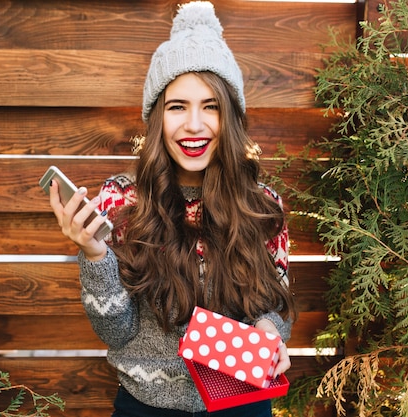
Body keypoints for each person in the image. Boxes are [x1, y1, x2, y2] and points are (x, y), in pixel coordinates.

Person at [49, 2, 296, 416]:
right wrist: (94, 255)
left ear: (230, 116)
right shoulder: (119, 202)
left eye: (211, 106)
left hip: (241, 402)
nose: (194, 125)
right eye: (177, 106)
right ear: (157, 118)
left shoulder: (262, 204)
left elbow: (276, 303)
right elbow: (116, 332)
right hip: (144, 406)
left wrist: (270, 331)